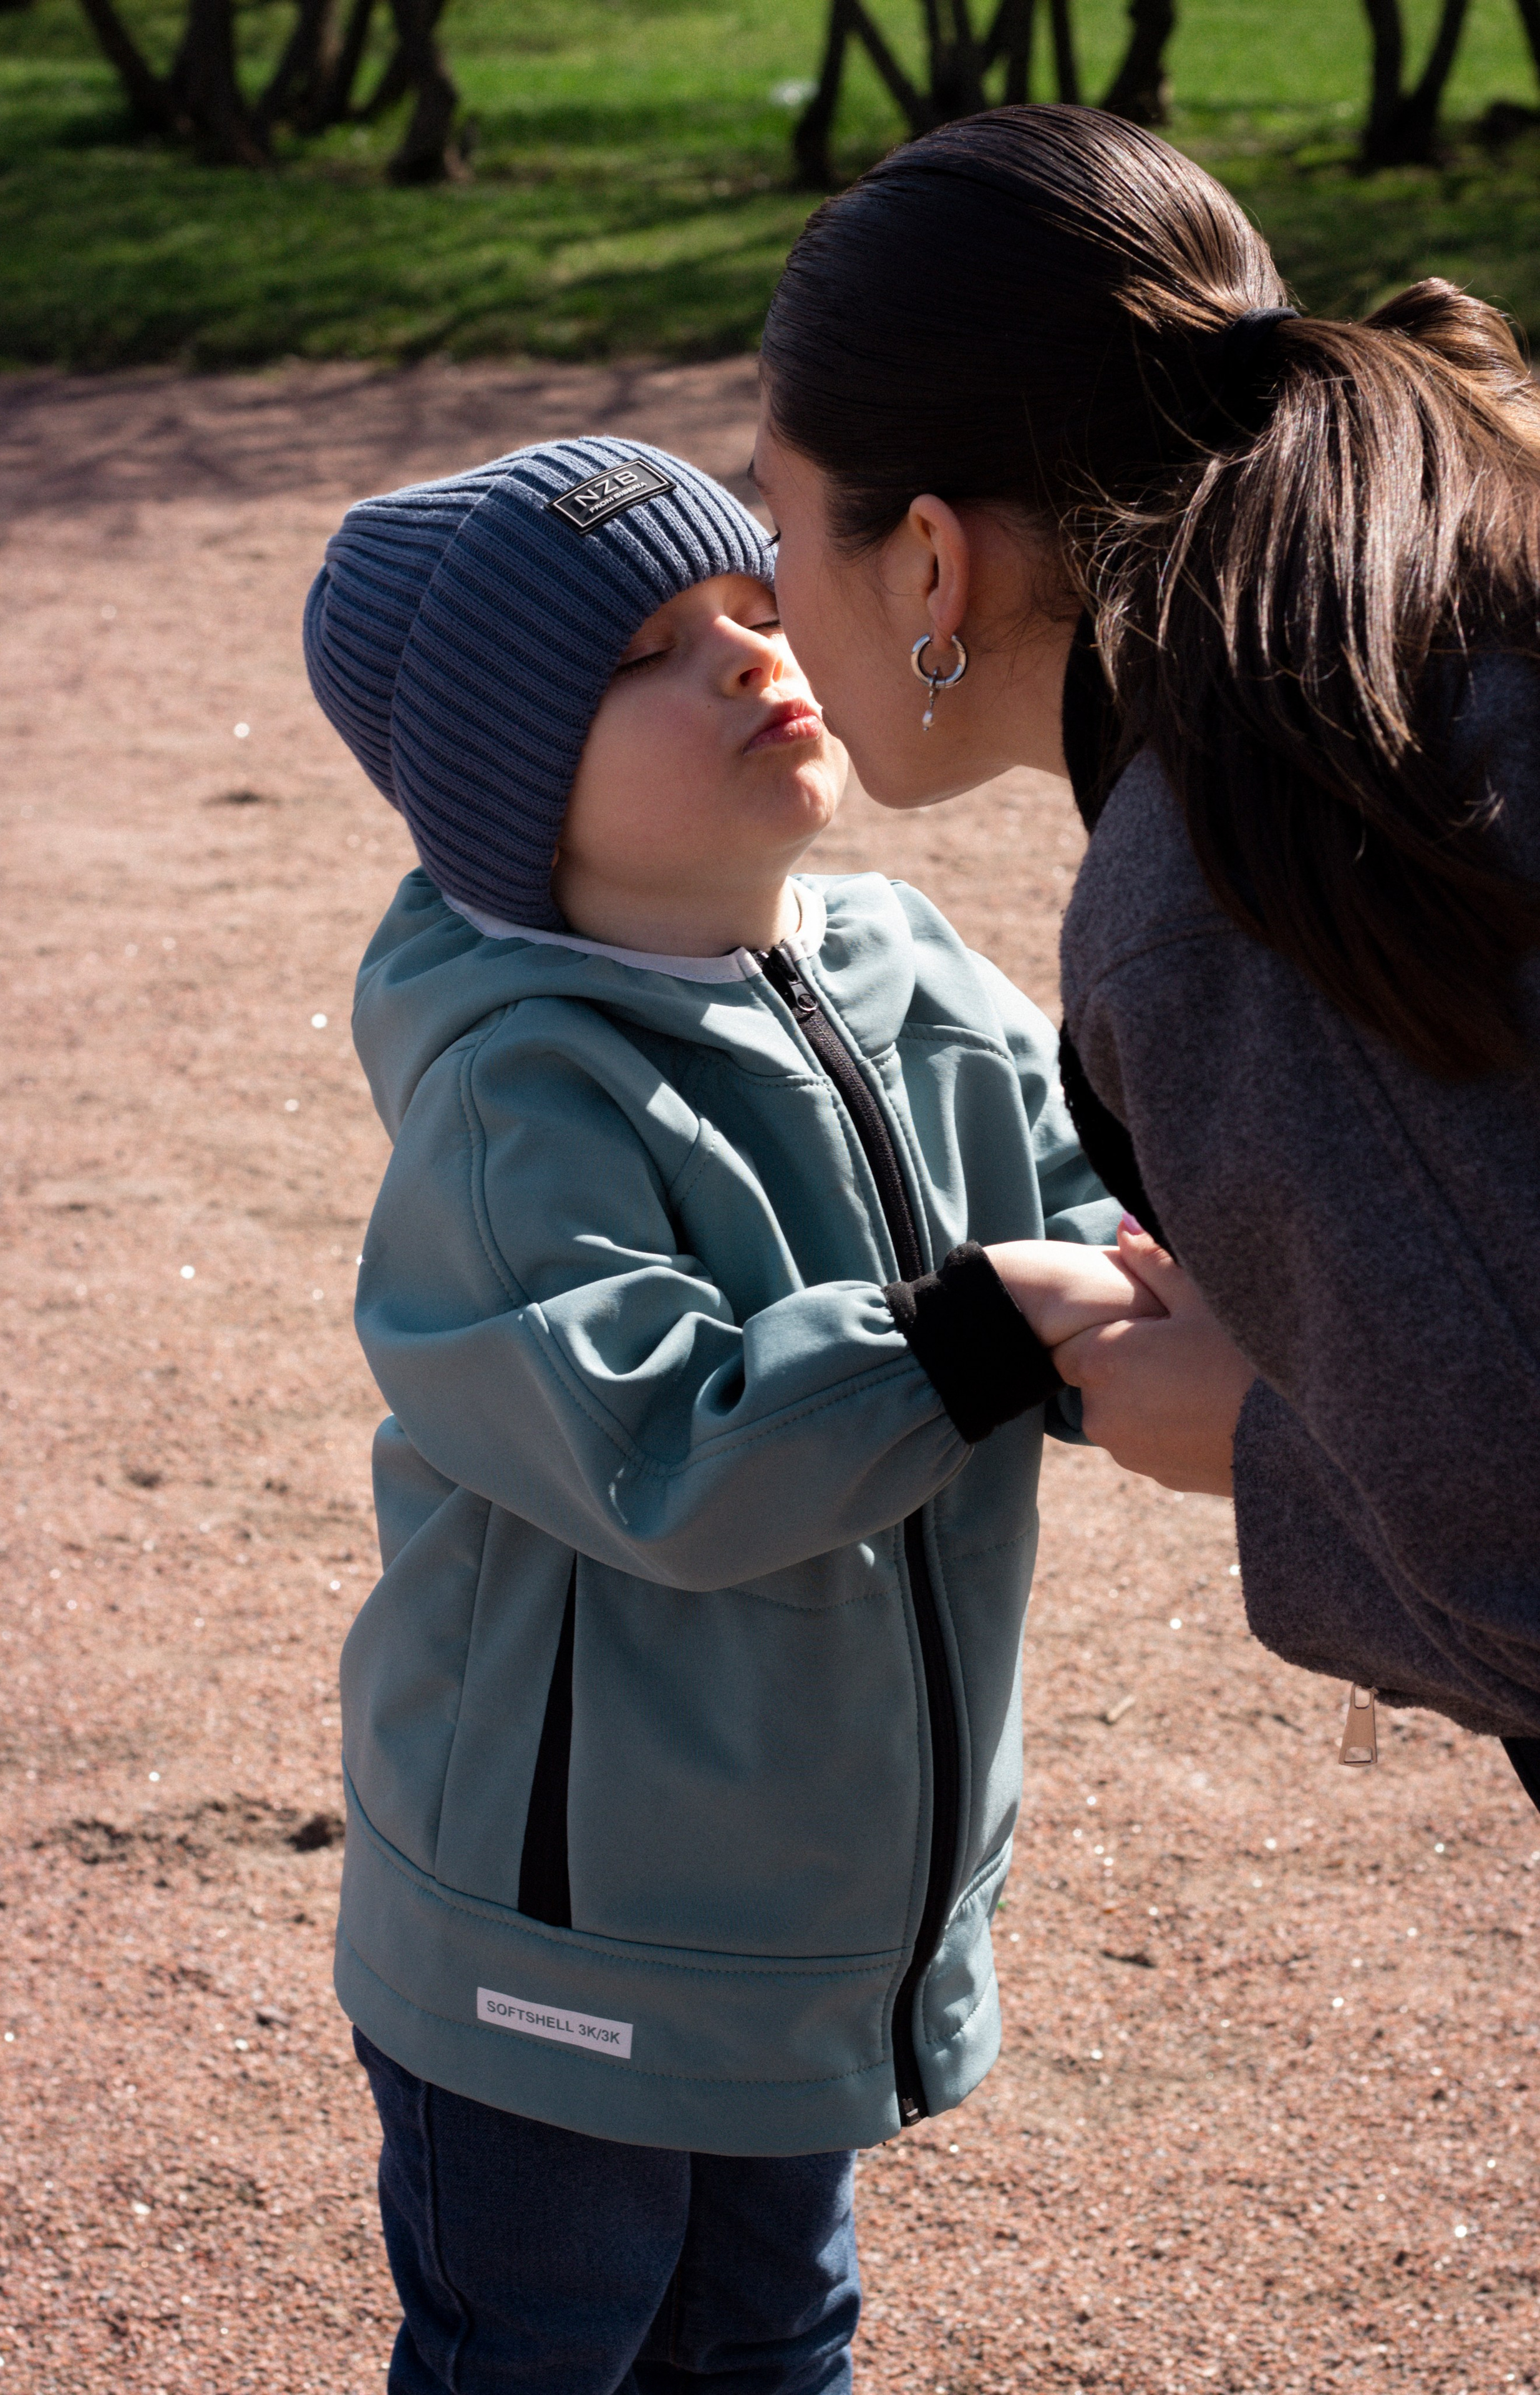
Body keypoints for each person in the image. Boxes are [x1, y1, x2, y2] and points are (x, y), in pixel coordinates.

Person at [303, 435, 1160, 2391]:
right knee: (547, 2343)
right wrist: (970, 1338)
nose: (753, 656)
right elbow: (660, 1451)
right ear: (510, 791)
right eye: (650, 653)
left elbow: (1089, 1205)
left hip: (803, 1910)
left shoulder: (902, 964)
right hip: (559, 1947)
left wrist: (1168, 1280)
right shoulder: (521, 1092)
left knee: (776, 2336)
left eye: (759, 606)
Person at [752, 102, 1540, 1804]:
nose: (767, 593)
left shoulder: (1239, 877)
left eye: (780, 519)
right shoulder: (1432, 642)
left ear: (933, 563)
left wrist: (1264, 1445)